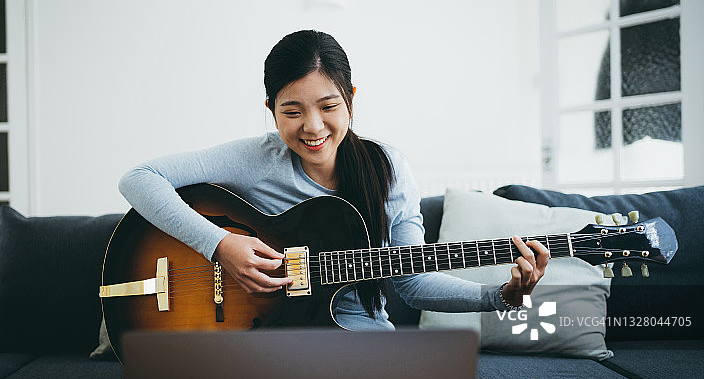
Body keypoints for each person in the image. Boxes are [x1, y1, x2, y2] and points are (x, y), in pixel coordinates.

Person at [118, 29, 549, 330]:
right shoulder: (256, 159)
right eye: (292, 111)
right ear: (270, 110)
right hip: (266, 338)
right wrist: (221, 245)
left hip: (360, 333)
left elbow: (412, 281)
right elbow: (139, 178)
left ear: (351, 100)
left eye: (328, 106)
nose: (312, 127)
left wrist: (499, 296)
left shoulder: (389, 169)